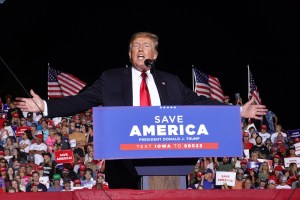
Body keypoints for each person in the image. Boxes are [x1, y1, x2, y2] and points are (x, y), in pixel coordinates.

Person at [15, 31, 267, 189]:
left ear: (154, 54)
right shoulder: (112, 78)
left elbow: (197, 101)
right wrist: (46, 106)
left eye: (146, 46)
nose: (140, 49)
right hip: (124, 161)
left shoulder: (170, 81)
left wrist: (236, 112)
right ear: (129, 53)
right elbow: (82, 100)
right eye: (135, 46)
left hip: (169, 161)